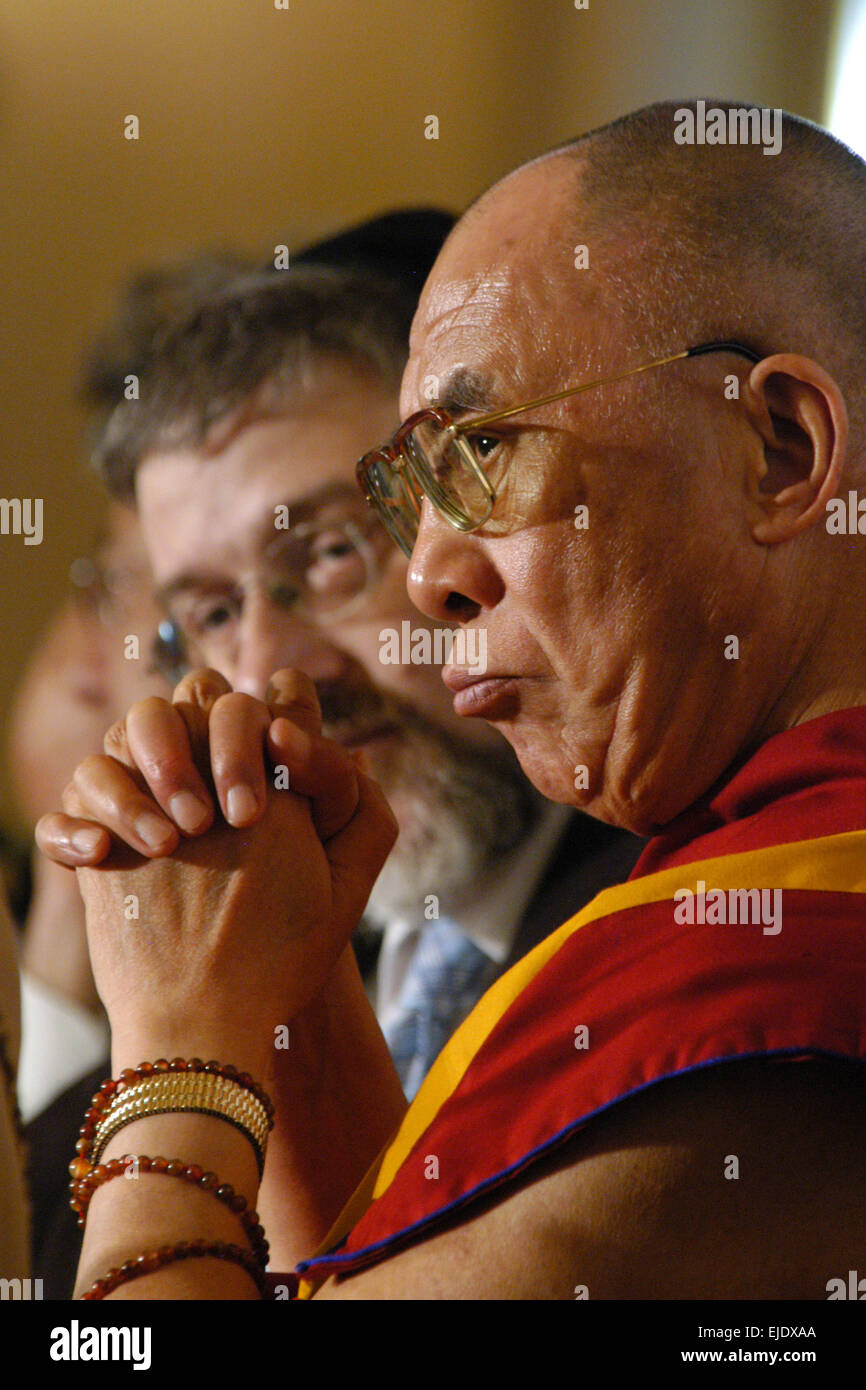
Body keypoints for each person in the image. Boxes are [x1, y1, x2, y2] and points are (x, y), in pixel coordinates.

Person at [39, 99, 866, 1300]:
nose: (430, 573)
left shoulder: (777, 987)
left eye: (480, 451)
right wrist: (296, 1007)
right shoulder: (719, 901)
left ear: (778, 450)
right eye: (410, 488)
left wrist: (178, 1049)